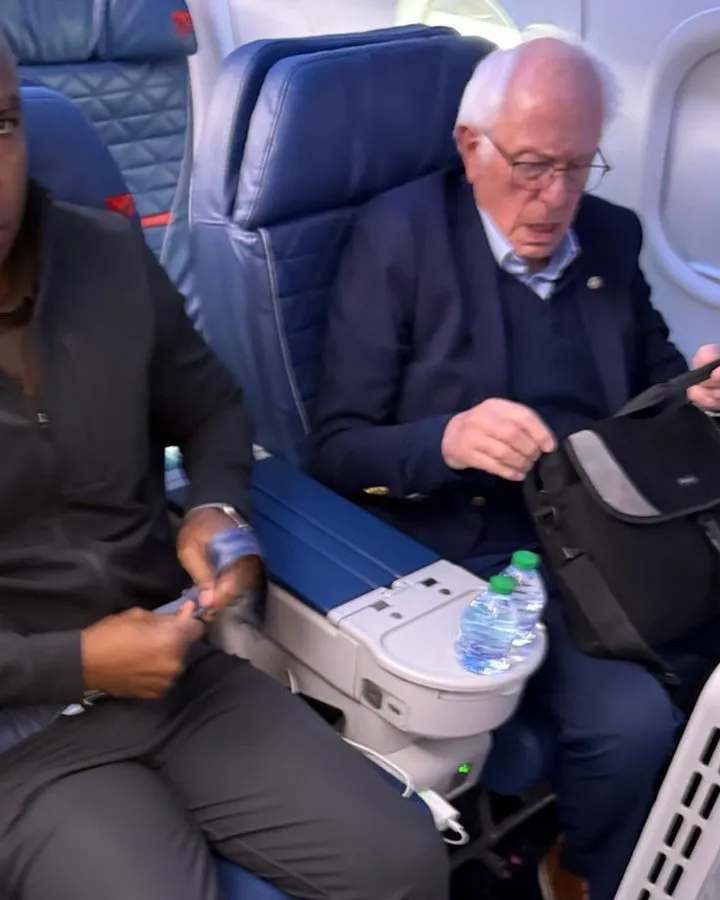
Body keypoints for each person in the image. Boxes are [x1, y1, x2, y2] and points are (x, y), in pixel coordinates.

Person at [309, 35, 720, 900]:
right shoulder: (398, 238)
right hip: (491, 549)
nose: (556, 198)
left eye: (579, 167)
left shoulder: (608, 237)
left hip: (620, 516)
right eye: (533, 166)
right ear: (472, 147)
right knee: (626, 720)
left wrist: (714, 394)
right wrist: (444, 440)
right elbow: (336, 447)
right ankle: (581, 869)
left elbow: (658, 389)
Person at [0, 33, 448, 900]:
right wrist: (79, 663)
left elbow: (210, 409)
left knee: (404, 859)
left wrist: (216, 509)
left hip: (174, 660)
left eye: (0, 126)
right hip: (23, 733)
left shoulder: (104, 256)